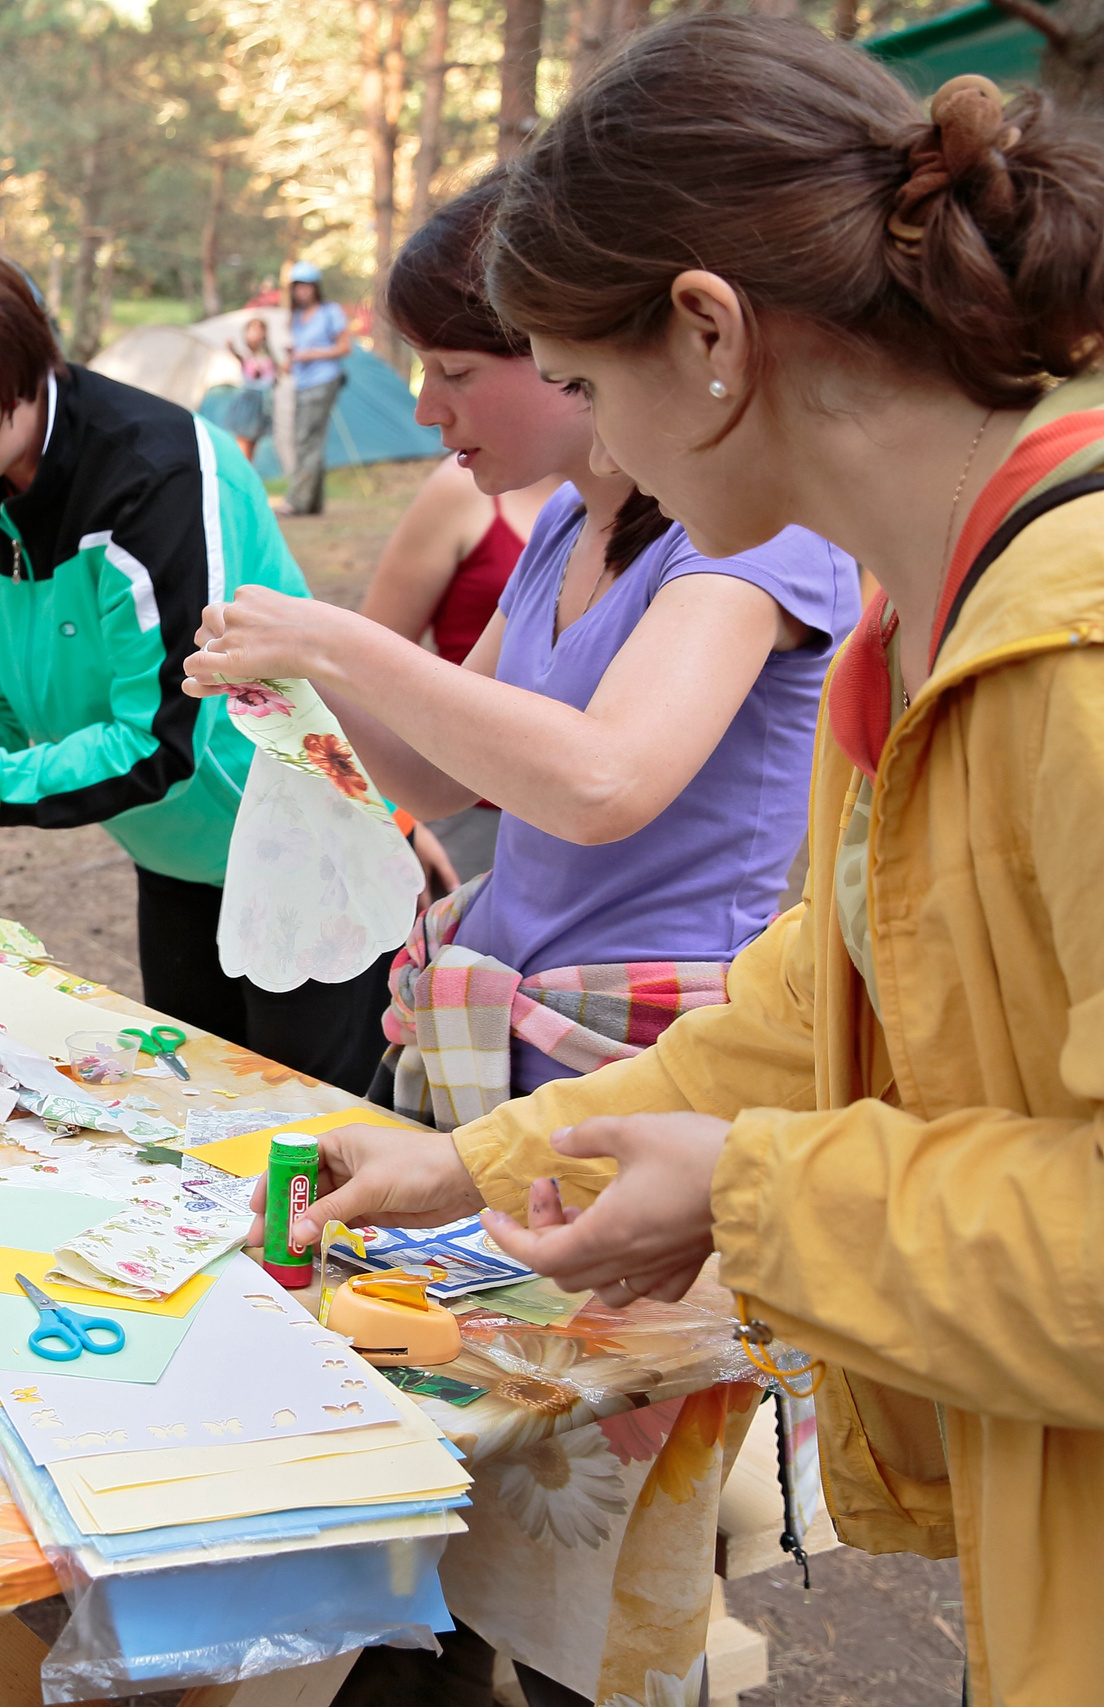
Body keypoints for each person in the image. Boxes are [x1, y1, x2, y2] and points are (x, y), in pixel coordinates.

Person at [275, 26, 1104, 1705]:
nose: (587, 452)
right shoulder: (920, 605)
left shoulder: (1069, 649)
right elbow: (823, 989)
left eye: (582, 388)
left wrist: (753, 1193)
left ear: (710, 335)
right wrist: (479, 1166)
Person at [188, 174, 858, 1132]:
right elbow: (446, 773)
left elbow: (602, 782)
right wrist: (299, 679)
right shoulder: (565, 521)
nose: (426, 409)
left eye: (455, 373)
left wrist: (337, 640)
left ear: (568, 355)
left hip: (650, 1062)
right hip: (502, 1037)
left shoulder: (752, 533)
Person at [0, 225, 395, 1095]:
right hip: (174, 857)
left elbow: (159, 743)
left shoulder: (155, 479)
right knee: (196, 1116)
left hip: (302, 850)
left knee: (301, 1144)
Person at [357, 454, 558, 886]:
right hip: (468, 815)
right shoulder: (461, 487)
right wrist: (401, 817)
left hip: (597, 818)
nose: (428, 414)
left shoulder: (663, 501)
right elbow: (367, 668)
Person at [283, 262, 354, 515]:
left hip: (323, 380)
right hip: (302, 382)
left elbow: (345, 347)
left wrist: (313, 354)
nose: (302, 292)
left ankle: (297, 502)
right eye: (297, 287)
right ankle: (313, 503)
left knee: (305, 439)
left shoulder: (329, 312)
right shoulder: (297, 317)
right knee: (310, 441)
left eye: (306, 286)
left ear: (315, 287)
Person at [221, 315, 277, 463]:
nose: (256, 333)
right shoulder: (246, 354)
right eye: (252, 329)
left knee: (253, 444)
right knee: (244, 442)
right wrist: (231, 347)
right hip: (249, 401)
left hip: (264, 402)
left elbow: (278, 375)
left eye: (259, 329)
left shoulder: (268, 355)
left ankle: (247, 472)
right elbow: (239, 358)